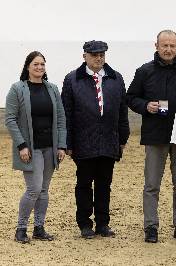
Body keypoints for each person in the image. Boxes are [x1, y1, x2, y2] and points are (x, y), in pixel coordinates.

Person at [127, 30, 176, 243]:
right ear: (157, 46)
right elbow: (131, 97)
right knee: (151, 184)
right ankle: (151, 227)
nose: (168, 49)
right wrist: (145, 106)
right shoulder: (144, 71)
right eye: (164, 46)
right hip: (155, 136)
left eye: (172, 45)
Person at [61, 40, 130, 239]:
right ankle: (84, 223)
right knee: (84, 184)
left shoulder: (115, 78)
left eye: (102, 55)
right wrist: (68, 142)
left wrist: (122, 137)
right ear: (85, 56)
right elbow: (67, 112)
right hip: (84, 141)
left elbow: (122, 111)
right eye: (94, 55)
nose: (98, 58)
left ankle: (102, 223)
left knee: (104, 184)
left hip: (109, 140)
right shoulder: (72, 79)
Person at [5, 51, 67, 243]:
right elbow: (10, 119)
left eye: (42, 64)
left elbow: (61, 119)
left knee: (44, 189)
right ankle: (21, 228)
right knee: (34, 188)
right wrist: (21, 145)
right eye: (35, 64)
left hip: (50, 147)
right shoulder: (17, 89)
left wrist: (62, 145)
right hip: (30, 149)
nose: (39, 67)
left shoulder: (53, 89)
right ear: (28, 67)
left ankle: (39, 228)